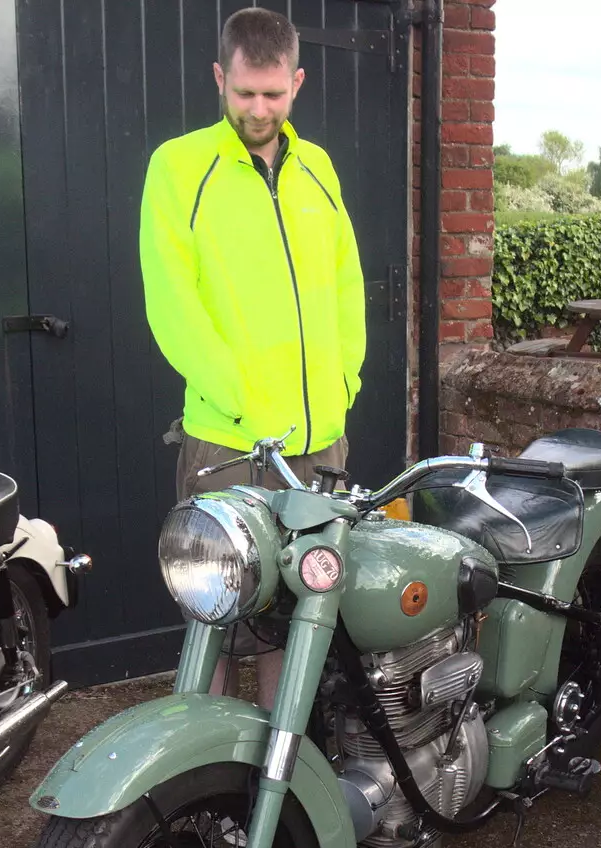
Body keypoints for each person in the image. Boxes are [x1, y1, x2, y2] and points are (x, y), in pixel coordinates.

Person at [140, 5, 365, 704]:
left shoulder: (319, 170)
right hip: (230, 443)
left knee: (294, 611)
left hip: (319, 443)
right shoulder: (179, 168)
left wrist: (344, 382)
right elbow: (172, 302)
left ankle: (277, 759)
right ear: (219, 78)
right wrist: (239, 396)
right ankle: (206, 762)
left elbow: (346, 284)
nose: (259, 109)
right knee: (215, 606)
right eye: (244, 94)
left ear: (297, 82)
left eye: (273, 94)